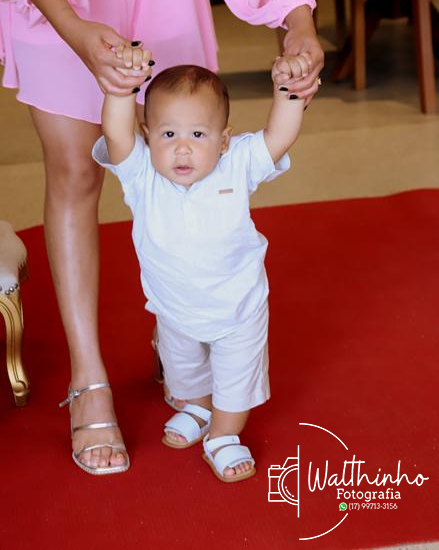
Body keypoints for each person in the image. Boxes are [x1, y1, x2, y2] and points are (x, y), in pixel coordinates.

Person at [0, 0, 323, 475]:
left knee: (182, 141)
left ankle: (181, 331)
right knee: (75, 169)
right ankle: (88, 379)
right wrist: (70, 26)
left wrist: (299, 21)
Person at [92, 45, 307, 482]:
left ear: (223, 140)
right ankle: (198, 407)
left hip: (238, 308)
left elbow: (279, 137)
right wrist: (122, 89)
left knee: (235, 377)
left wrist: (288, 92)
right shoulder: (141, 175)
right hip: (174, 308)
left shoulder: (236, 164)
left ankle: (224, 434)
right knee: (183, 370)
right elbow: (116, 133)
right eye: (168, 134)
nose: (182, 149)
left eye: (198, 135)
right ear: (147, 135)